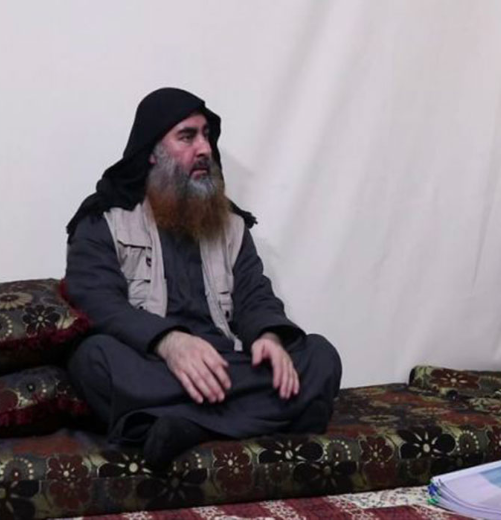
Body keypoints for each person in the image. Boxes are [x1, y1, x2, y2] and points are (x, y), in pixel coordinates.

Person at [65, 88, 343, 469]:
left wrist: (268, 337)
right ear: (152, 151)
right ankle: (277, 414)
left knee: (320, 356)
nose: (204, 149)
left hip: (225, 363)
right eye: (187, 136)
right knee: (92, 359)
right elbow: (97, 303)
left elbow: (254, 295)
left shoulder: (230, 225)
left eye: (206, 135)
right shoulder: (103, 221)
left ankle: (184, 425)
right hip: (155, 365)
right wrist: (169, 342)